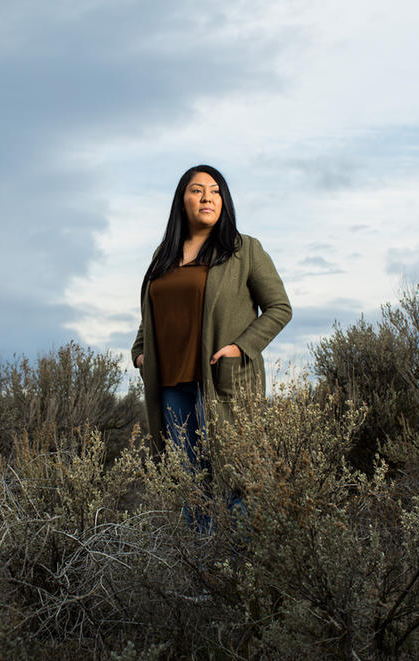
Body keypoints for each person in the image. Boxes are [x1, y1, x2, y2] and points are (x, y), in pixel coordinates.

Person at [131, 164, 292, 531]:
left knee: (235, 478)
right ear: (182, 200)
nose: (207, 197)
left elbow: (280, 308)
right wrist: (140, 352)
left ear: (224, 201)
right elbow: (151, 313)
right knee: (191, 485)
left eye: (215, 190)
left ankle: (239, 573)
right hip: (172, 387)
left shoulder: (243, 250)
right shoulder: (165, 254)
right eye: (197, 189)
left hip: (222, 384)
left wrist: (240, 347)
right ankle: (205, 578)